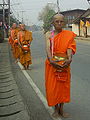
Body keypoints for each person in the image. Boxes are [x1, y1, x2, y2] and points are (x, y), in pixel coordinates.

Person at [45, 14, 76, 118]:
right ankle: (56, 108)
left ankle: (61, 108)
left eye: (61, 21)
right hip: (52, 64)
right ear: (52, 23)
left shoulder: (69, 34)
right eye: (56, 21)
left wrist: (69, 59)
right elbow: (48, 48)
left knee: (63, 87)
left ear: (65, 22)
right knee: (53, 88)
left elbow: (69, 48)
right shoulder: (49, 34)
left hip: (64, 64)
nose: (59, 23)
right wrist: (51, 60)